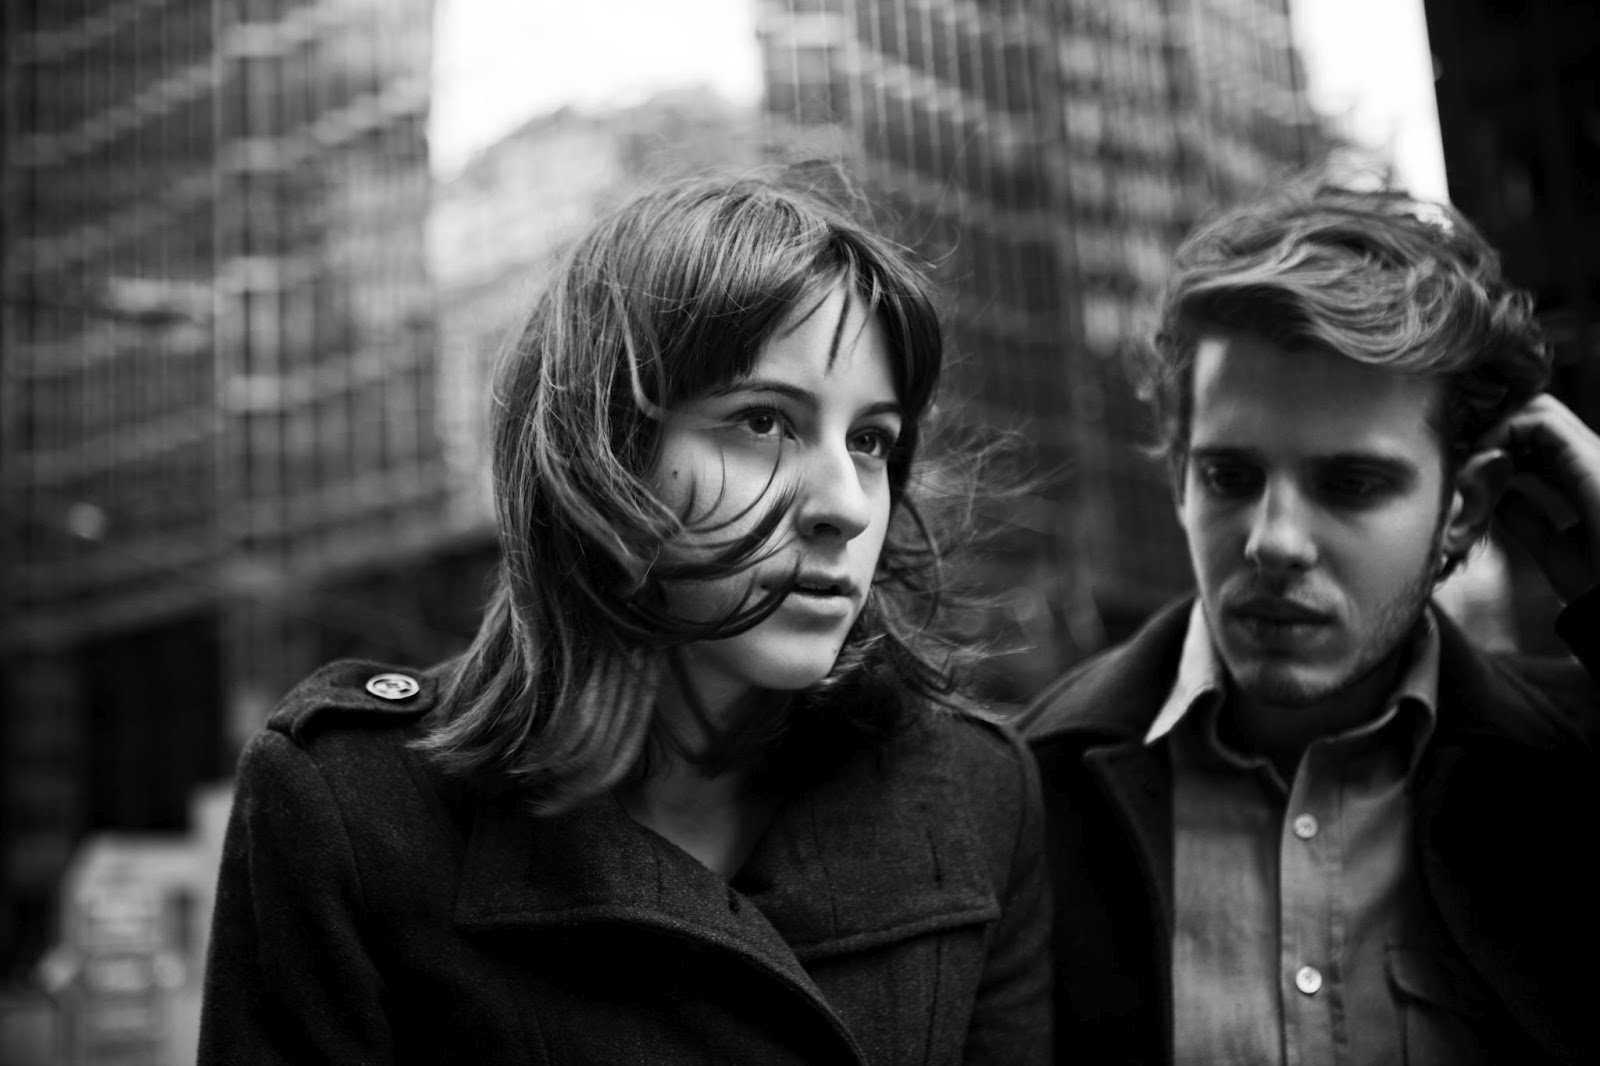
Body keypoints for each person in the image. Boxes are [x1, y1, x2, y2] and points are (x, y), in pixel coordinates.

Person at [199, 172, 1052, 1065]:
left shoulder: (976, 795)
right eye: (763, 422)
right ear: (602, 450)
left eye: (870, 440)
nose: (844, 504)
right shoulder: (348, 810)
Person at [1019, 182, 1600, 1065]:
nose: (1274, 541)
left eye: (1350, 485)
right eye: (1228, 477)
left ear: (1465, 505)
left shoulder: (1577, 763)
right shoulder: (1028, 795)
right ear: (1178, 478)